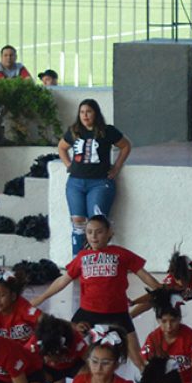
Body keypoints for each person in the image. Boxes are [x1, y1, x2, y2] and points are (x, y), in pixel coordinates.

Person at [31, 214, 156, 336]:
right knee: (73, 346)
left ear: (109, 232)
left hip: (118, 312)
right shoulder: (82, 257)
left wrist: (160, 287)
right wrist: (41, 298)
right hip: (88, 312)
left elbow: (144, 275)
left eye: (99, 232)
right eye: (89, 232)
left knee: (136, 355)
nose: (94, 236)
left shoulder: (122, 254)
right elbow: (63, 280)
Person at [57, 100, 130, 256]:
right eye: (82, 112)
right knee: (78, 223)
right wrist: (68, 164)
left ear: (95, 113)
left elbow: (125, 146)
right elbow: (62, 147)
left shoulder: (107, 131)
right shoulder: (74, 131)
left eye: (88, 112)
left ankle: (98, 260)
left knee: (97, 224)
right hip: (75, 183)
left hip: (99, 182)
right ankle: (77, 261)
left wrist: (116, 167)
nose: (85, 115)